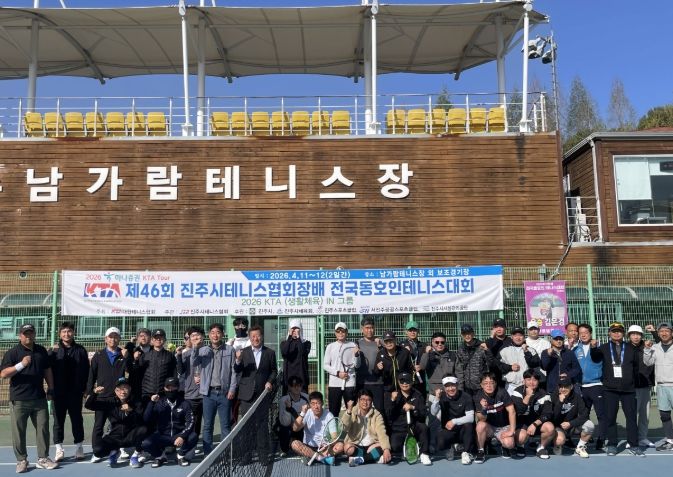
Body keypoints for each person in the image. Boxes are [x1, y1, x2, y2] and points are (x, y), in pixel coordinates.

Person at [0, 323, 58, 473]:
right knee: (18, 432)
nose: (28, 336)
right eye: (25, 334)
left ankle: (43, 458)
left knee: (43, 429)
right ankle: (21, 460)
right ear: (20, 335)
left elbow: (47, 370)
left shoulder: (41, 350)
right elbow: (3, 374)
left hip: (39, 398)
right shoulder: (13, 352)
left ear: (34, 334)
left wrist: (51, 388)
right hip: (19, 400)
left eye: (31, 333)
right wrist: (21, 364)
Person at [589, 322, 642, 456]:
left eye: (619, 331)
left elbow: (636, 367)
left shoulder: (631, 348)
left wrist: (631, 381)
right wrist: (593, 347)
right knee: (610, 417)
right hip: (609, 389)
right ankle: (612, 444)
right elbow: (595, 359)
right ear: (609, 333)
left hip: (628, 390)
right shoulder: (603, 348)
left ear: (623, 333)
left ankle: (634, 444)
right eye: (614, 331)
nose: (616, 333)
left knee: (631, 418)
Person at [234, 325, 278, 464]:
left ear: (262, 336)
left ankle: (263, 456)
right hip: (246, 395)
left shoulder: (270, 353)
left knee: (262, 426)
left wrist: (269, 381)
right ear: (249, 337)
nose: (255, 338)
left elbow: (274, 371)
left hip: (262, 395)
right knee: (247, 426)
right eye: (253, 336)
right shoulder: (244, 352)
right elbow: (237, 370)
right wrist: (238, 360)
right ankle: (246, 456)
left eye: (258, 336)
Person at [86, 326, 130, 463]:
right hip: (102, 399)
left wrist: (127, 358)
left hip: (118, 398)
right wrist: (90, 392)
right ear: (106, 339)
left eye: (116, 337)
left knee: (120, 424)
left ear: (119, 339)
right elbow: (91, 375)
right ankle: (97, 451)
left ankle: (121, 448)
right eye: (110, 337)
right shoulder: (98, 355)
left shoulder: (123, 355)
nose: (113, 339)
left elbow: (132, 371)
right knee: (98, 426)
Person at [194, 323, 238, 455]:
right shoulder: (203, 350)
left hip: (225, 393)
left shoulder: (230, 350)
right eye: (212, 332)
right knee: (208, 426)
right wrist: (195, 347)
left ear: (222, 334)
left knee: (225, 426)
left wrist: (232, 389)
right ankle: (208, 454)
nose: (215, 335)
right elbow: (194, 363)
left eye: (218, 332)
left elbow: (234, 371)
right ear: (209, 335)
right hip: (208, 393)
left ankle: (224, 455)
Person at [49, 321, 89, 462]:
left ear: (73, 333)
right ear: (60, 334)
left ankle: (79, 447)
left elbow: (86, 371)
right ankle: (59, 449)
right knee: (58, 421)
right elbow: (47, 371)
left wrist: (86, 388)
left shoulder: (81, 350)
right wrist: (50, 389)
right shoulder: (53, 351)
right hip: (58, 393)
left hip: (75, 392)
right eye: (64, 331)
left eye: (69, 331)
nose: (67, 334)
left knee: (77, 419)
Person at [84, 378, 147, 468]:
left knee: (143, 429)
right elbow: (88, 405)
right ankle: (114, 451)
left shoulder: (136, 402)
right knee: (97, 451)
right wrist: (94, 393)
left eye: (125, 388)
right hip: (115, 438)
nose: (123, 392)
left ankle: (135, 455)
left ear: (130, 389)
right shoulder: (109, 402)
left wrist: (130, 410)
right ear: (116, 391)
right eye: (120, 389)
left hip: (130, 437)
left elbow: (141, 420)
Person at [142, 377, 198, 467]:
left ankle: (180, 455)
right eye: (168, 387)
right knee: (146, 443)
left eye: (173, 387)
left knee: (193, 436)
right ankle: (160, 456)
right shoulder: (159, 403)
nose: (171, 390)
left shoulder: (185, 403)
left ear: (178, 388)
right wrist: (152, 402)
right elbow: (146, 419)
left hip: (178, 436)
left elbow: (191, 421)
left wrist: (182, 436)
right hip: (163, 436)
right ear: (164, 388)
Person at [384, 372, 432, 465]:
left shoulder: (417, 395)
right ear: (398, 382)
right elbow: (388, 414)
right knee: (395, 447)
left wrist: (413, 407)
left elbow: (423, 413)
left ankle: (424, 454)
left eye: (407, 381)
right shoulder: (392, 395)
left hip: (414, 426)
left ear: (412, 382)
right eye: (402, 381)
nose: (405, 383)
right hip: (399, 428)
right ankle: (406, 449)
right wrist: (392, 401)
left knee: (424, 428)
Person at [419, 331, 456, 449]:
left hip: (450, 392)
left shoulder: (451, 355)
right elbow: (422, 367)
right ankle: (432, 444)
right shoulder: (428, 355)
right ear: (432, 342)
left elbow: (458, 373)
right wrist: (427, 352)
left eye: (442, 342)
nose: (440, 344)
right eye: (437, 342)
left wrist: (458, 390)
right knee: (434, 421)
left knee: (450, 420)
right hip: (434, 393)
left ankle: (450, 445)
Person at [573, 323, 607, 450]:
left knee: (601, 415)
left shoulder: (599, 347)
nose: (583, 335)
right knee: (584, 415)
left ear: (590, 333)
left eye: (586, 332)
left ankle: (602, 439)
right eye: (580, 333)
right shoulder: (576, 349)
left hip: (596, 385)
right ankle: (586, 438)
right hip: (581, 386)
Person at [473, 372, 516, 463]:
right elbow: (482, 419)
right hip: (490, 428)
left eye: (491, 383)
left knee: (509, 444)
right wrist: (483, 408)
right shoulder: (478, 396)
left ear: (495, 383)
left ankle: (503, 446)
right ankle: (480, 451)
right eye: (485, 383)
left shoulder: (502, 392)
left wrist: (511, 430)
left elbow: (512, 411)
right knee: (480, 425)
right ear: (481, 385)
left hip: (504, 427)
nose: (489, 386)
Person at [289, 391, 343, 466]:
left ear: (322, 403)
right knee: (294, 444)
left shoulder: (329, 415)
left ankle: (313, 457)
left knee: (340, 445)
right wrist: (302, 413)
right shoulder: (307, 413)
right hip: (309, 447)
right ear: (310, 404)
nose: (316, 406)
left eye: (318, 403)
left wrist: (328, 445)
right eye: (313, 403)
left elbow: (334, 437)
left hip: (325, 448)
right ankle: (321, 458)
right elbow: (295, 428)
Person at [431, 376, 475, 465]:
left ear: (457, 385)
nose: (450, 389)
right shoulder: (441, 396)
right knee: (440, 442)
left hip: (463, 430)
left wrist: (454, 421)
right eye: (447, 386)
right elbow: (433, 412)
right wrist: (436, 399)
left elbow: (471, 418)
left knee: (469, 425)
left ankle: (466, 453)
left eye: (453, 385)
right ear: (444, 387)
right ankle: (453, 447)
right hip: (449, 430)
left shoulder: (466, 396)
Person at [510, 369, 554, 459]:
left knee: (550, 427)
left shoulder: (544, 394)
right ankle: (520, 446)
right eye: (529, 379)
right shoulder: (517, 392)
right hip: (522, 423)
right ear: (524, 381)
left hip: (537, 423)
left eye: (534, 380)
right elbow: (519, 411)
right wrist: (528, 396)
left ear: (538, 381)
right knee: (521, 437)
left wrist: (534, 424)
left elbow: (548, 414)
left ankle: (541, 447)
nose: (531, 382)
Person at [643, 322, 673, 451]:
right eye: (661, 331)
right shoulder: (655, 347)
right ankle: (670, 440)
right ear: (658, 333)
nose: (664, 333)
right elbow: (648, 362)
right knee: (664, 415)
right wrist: (647, 350)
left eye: (667, 331)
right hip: (661, 386)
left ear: (672, 333)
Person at [342, 389, 392, 466]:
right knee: (348, 448)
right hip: (356, 445)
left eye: (368, 400)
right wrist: (348, 411)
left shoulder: (377, 414)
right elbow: (344, 428)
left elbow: (382, 432)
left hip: (372, 445)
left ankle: (361, 460)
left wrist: (386, 449)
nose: (365, 402)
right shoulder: (352, 411)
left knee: (382, 448)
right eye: (362, 399)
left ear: (371, 402)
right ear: (358, 400)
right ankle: (373, 459)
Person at [549, 376, 594, 458]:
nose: (563, 389)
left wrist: (571, 423)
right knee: (559, 441)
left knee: (589, 425)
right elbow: (553, 417)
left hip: (572, 426)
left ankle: (580, 447)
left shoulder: (577, 397)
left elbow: (585, 415)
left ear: (571, 387)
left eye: (566, 387)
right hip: (558, 426)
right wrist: (560, 402)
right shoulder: (553, 397)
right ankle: (556, 444)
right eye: (561, 387)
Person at [323, 322, 360, 418]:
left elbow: (357, 365)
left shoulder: (353, 345)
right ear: (335, 333)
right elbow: (325, 365)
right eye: (338, 331)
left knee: (352, 411)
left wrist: (356, 355)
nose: (340, 333)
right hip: (334, 383)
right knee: (333, 412)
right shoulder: (330, 346)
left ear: (346, 332)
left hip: (350, 383)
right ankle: (333, 427)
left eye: (343, 331)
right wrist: (338, 373)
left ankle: (352, 428)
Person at [131, 328, 177, 405]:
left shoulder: (170, 356)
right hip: (147, 395)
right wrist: (135, 361)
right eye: (156, 337)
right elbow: (137, 374)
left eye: (161, 337)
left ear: (165, 339)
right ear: (152, 340)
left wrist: (172, 388)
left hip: (164, 394)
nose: (158, 339)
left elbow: (174, 373)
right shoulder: (144, 356)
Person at [628, 324, 656, 448]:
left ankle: (642, 438)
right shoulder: (625, 347)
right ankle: (632, 439)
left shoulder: (648, 346)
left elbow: (662, 344)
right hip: (631, 387)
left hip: (646, 385)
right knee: (632, 415)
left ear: (641, 335)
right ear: (629, 336)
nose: (636, 337)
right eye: (633, 334)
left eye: (638, 334)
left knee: (645, 414)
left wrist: (654, 332)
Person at [176, 327, 204, 442]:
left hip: (205, 392)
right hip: (190, 392)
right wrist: (178, 356)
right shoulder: (185, 354)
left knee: (205, 421)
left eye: (194, 336)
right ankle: (191, 443)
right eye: (187, 337)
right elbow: (180, 371)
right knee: (191, 420)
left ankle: (203, 443)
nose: (190, 339)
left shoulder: (207, 351)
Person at [497, 326, 541, 394]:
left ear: (524, 336)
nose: (518, 338)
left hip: (527, 385)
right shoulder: (504, 350)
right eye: (515, 335)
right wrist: (510, 367)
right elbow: (498, 366)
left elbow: (535, 364)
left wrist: (526, 351)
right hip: (510, 386)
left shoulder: (531, 350)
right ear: (512, 337)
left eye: (520, 335)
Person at [455, 324, 494, 396]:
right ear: (461, 335)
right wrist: (461, 385)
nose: (467, 336)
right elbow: (459, 368)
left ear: (473, 334)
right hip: (466, 386)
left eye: (469, 333)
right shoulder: (461, 349)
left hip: (480, 386)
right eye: (464, 334)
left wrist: (487, 351)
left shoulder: (481, 346)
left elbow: (491, 363)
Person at [356, 318, 385, 412]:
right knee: (362, 411)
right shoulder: (357, 343)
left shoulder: (380, 342)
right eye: (367, 328)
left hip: (378, 382)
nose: (369, 330)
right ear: (362, 329)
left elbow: (389, 355)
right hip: (362, 383)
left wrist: (381, 345)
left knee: (379, 410)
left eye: (371, 327)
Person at [278, 376, 310, 455]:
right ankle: (284, 449)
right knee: (284, 429)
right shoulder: (283, 400)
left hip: (302, 426)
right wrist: (288, 409)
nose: (297, 388)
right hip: (289, 426)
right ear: (289, 387)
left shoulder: (306, 397)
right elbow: (284, 422)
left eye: (299, 386)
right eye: (294, 386)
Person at [280, 319, 311, 394]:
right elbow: (284, 352)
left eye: (297, 328)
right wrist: (289, 337)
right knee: (288, 399)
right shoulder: (284, 343)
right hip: (288, 377)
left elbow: (302, 352)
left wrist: (298, 337)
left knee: (303, 399)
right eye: (292, 329)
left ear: (300, 329)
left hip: (301, 376)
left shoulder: (306, 343)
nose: (294, 331)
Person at [399, 320, 427, 397]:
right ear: (406, 332)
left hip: (420, 379)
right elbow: (398, 361)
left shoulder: (424, 345)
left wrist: (421, 366)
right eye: (410, 330)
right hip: (406, 380)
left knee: (421, 400)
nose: (412, 332)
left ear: (418, 331)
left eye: (414, 330)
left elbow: (428, 361)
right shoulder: (401, 345)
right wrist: (404, 352)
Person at [125, 328, 151, 401]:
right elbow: (128, 369)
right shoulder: (133, 351)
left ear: (150, 338)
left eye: (146, 335)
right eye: (141, 336)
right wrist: (135, 360)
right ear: (138, 338)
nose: (143, 338)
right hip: (136, 388)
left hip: (151, 388)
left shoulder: (154, 351)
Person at [525, 321, 550, 386]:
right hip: (528, 375)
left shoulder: (546, 343)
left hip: (543, 375)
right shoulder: (524, 342)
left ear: (539, 330)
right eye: (531, 329)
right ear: (528, 331)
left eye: (535, 329)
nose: (533, 331)